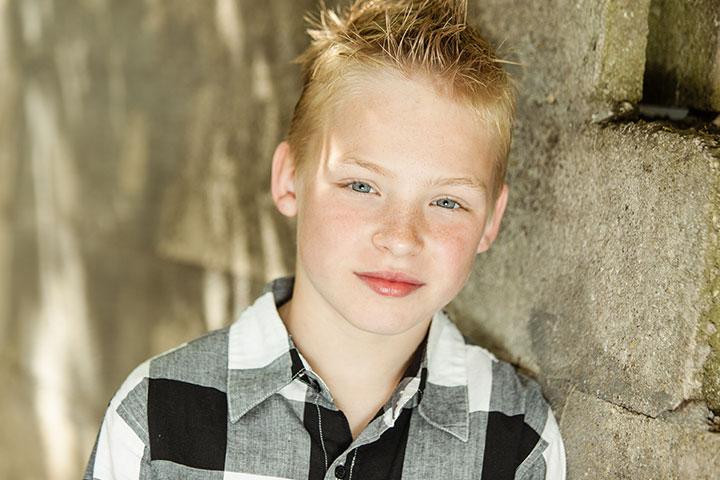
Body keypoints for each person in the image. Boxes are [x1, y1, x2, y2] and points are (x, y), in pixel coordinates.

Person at [84, 0, 566, 478]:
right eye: (362, 186)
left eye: (447, 202)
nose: (400, 238)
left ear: (490, 219)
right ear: (289, 179)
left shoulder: (518, 437)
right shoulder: (153, 418)